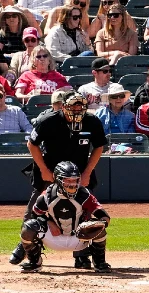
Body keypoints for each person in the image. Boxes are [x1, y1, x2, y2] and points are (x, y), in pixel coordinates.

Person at [9, 92, 105, 268]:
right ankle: (26, 246)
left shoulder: (92, 121)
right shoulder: (48, 120)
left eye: (80, 107)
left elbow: (99, 145)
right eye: (73, 106)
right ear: (63, 106)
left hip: (78, 173)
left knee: (83, 211)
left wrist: (88, 172)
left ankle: (82, 255)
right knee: (35, 209)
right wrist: (44, 170)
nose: (77, 110)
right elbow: (32, 144)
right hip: (50, 171)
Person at [18, 161, 111, 273]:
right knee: (29, 226)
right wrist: (49, 223)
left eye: (75, 180)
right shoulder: (47, 195)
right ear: (58, 180)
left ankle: (99, 262)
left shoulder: (84, 195)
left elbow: (104, 216)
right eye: (68, 180)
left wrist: (98, 225)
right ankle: (34, 262)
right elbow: (35, 215)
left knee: (98, 226)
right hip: (54, 238)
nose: (72, 184)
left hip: (79, 239)